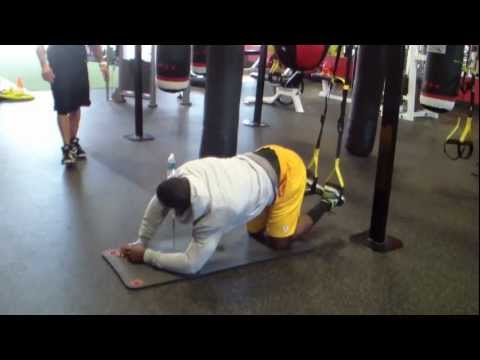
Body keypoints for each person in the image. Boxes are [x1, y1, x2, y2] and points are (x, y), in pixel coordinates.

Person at [120, 145, 345, 275]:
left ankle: (328, 201)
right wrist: (141, 240)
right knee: (255, 233)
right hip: (261, 158)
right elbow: (158, 202)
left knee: (279, 243)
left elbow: (191, 265)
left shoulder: (218, 211)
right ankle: (292, 193)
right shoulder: (183, 173)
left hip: (287, 170)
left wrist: (146, 256)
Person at [36, 45, 109, 166]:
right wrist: (44, 65)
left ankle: (73, 142)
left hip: (78, 60)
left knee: (76, 105)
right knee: (62, 106)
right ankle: (67, 148)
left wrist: (102, 63)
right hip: (58, 61)